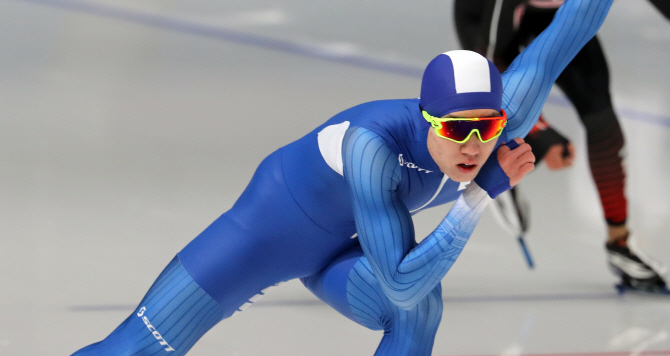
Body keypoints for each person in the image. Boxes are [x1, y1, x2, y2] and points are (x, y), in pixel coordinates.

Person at [71, 0, 613, 355]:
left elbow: (576, 22)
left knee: (419, 312)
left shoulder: (504, 117)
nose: (473, 146)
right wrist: (478, 195)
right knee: (135, 348)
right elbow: (400, 278)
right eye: (455, 128)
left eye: (487, 127)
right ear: (426, 118)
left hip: (348, 249)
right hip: (269, 233)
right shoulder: (372, 146)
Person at [454, 0, 669, 291]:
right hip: (486, 19)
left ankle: (619, 242)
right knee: (495, 111)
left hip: (554, 17)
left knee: (603, 123)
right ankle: (493, 160)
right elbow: (492, 72)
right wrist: (541, 131)